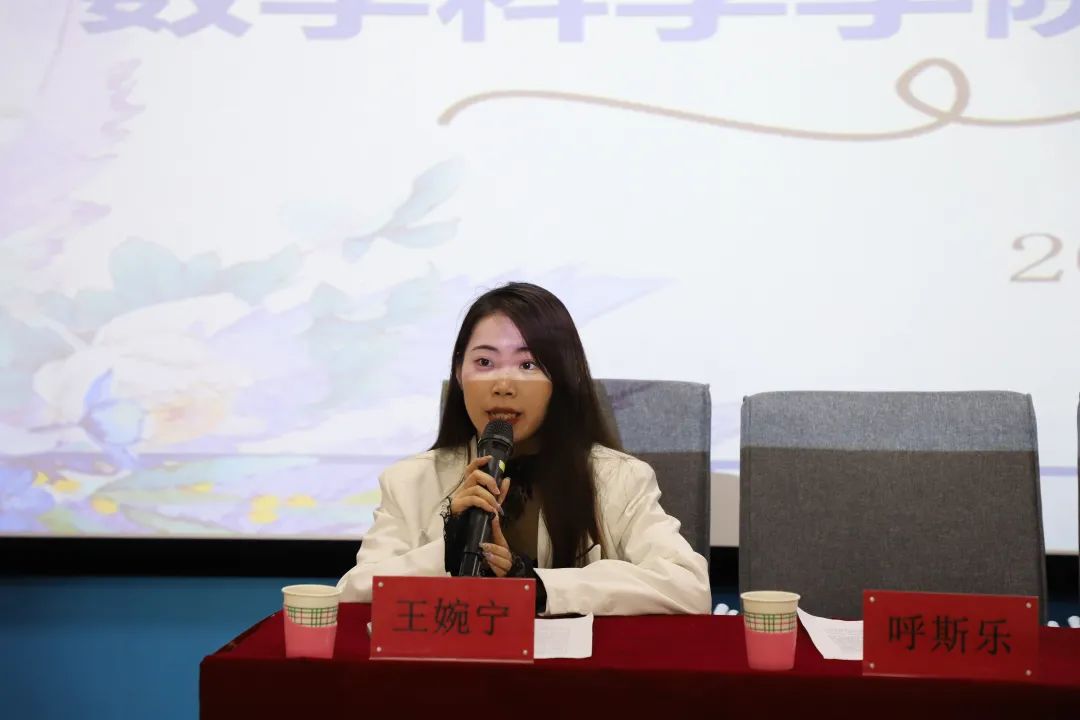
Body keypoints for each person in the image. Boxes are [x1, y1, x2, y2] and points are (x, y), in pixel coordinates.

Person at [337, 282, 711, 615]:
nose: (503, 385)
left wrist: (538, 588)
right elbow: (353, 593)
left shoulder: (620, 479)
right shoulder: (409, 480)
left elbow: (688, 587)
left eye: (528, 364)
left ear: (562, 378)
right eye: (484, 362)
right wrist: (447, 551)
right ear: (459, 373)